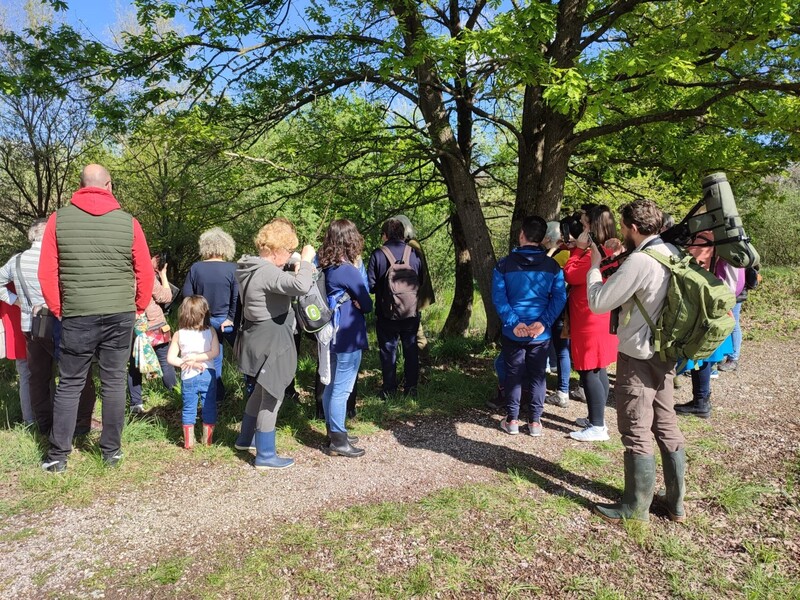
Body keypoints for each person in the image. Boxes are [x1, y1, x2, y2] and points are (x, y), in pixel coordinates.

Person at [38, 164, 154, 472]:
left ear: (80, 185)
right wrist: (138, 306)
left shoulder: (58, 220)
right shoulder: (129, 223)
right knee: (114, 382)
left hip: (77, 313)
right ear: (109, 185)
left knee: (70, 383)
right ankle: (111, 452)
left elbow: (46, 272)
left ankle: (57, 457)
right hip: (120, 313)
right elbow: (145, 271)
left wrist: (59, 309)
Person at [586, 199, 686, 523]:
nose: (622, 231)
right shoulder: (672, 252)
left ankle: (635, 507)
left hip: (638, 356)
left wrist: (594, 268)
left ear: (632, 228)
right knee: (666, 422)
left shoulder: (641, 260)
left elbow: (599, 302)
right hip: (665, 353)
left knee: (635, 428)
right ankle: (675, 503)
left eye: (624, 227)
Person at [0, 220, 97, 436]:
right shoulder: (58, 258)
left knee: (38, 377)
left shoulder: (17, 261)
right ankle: (81, 422)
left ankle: (44, 425)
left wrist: (17, 301)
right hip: (61, 323)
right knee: (76, 371)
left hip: (31, 326)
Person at [233, 218, 315, 469]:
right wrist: (306, 261)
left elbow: (277, 280)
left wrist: (293, 265)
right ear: (276, 250)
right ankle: (266, 455)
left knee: (260, 390)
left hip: (256, 336)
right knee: (273, 395)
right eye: (288, 251)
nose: (290, 255)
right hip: (272, 339)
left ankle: (246, 439)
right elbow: (301, 285)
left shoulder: (250, 267)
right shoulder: (267, 272)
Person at [492, 216, 567, 437]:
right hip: (539, 334)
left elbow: (499, 298)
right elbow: (559, 298)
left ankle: (512, 420)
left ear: (521, 235)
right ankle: (535, 422)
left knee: (513, 374)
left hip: (513, 331)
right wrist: (543, 323)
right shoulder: (553, 266)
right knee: (537, 376)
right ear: (542, 239)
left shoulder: (503, 264)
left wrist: (514, 323)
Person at [562, 205, 619, 442]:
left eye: (585, 224)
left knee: (588, 370)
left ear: (594, 226)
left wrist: (578, 249)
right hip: (600, 315)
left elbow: (571, 274)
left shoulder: (595, 252)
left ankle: (598, 426)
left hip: (589, 318)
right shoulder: (612, 248)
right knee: (599, 367)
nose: (582, 228)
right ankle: (596, 418)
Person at [318, 219, 373, 457]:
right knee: (342, 389)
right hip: (348, 334)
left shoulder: (327, 267)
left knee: (330, 386)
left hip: (331, 333)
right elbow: (367, 304)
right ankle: (339, 441)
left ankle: (333, 432)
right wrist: (360, 301)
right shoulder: (348, 270)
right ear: (351, 240)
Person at [367, 218, 424, 398]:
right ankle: (411, 389)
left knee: (388, 351)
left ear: (385, 235)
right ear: (402, 234)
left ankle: (389, 390)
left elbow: (370, 286)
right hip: (411, 312)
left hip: (387, 313)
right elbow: (420, 280)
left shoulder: (378, 254)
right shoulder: (414, 253)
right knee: (411, 350)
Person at [182, 227, 239, 403]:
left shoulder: (196, 268)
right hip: (227, 321)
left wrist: (197, 318)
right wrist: (231, 317)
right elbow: (237, 297)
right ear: (226, 246)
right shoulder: (233, 268)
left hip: (203, 321)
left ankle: (214, 397)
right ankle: (251, 395)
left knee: (213, 359)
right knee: (244, 356)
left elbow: (187, 295)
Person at [167, 295, 220, 448]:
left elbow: (171, 358)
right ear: (205, 313)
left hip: (188, 376)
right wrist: (198, 359)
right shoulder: (211, 331)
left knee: (189, 407)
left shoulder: (179, 334)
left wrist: (188, 362)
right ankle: (207, 441)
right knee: (209, 406)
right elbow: (215, 352)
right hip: (208, 374)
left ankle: (189, 442)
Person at [127, 255, 178, 414]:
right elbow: (166, 297)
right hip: (155, 325)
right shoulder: (145, 275)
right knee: (165, 362)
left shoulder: (123, 277)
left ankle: (136, 404)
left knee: (134, 365)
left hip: (133, 327)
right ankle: (174, 396)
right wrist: (163, 275)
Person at [393, 214, 435, 354]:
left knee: (417, 331)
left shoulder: (411, 245)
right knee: (415, 328)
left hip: (414, 293)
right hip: (414, 292)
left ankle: (422, 356)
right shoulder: (412, 243)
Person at [542, 220, 571, 409]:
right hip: (562, 307)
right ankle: (563, 389)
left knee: (560, 349)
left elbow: (544, 267)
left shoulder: (561, 255)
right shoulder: (570, 252)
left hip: (555, 308)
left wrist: (552, 249)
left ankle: (562, 390)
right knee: (561, 349)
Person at [0, 287, 31, 425]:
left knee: (35, 369)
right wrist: (18, 301)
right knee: (27, 369)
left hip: (19, 309)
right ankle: (30, 419)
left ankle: (35, 418)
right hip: (17, 313)